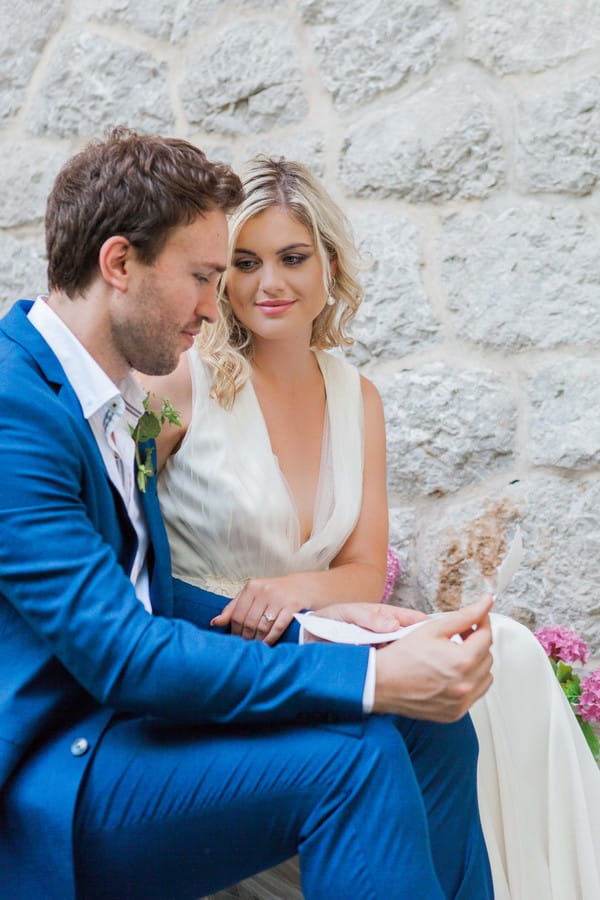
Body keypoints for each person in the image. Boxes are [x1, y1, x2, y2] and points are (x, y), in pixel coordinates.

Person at [0, 130, 496, 900]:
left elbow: (156, 600)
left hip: (125, 727)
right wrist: (368, 677)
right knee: (352, 759)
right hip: (55, 772)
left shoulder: (111, 400)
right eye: (205, 275)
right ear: (120, 264)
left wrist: (333, 630)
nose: (213, 305)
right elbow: (126, 654)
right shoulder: (14, 408)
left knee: (432, 728)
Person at [144, 156, 600, 900]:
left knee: (506, 659)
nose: (269, 284)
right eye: (245, 263)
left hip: (319, 633)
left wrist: (296, 591)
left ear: (329, 265)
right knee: (423, 726)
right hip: (222, 656)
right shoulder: (181, 383)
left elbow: (361, 569)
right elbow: (124, 537)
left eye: (292, 259)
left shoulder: (358, 398)